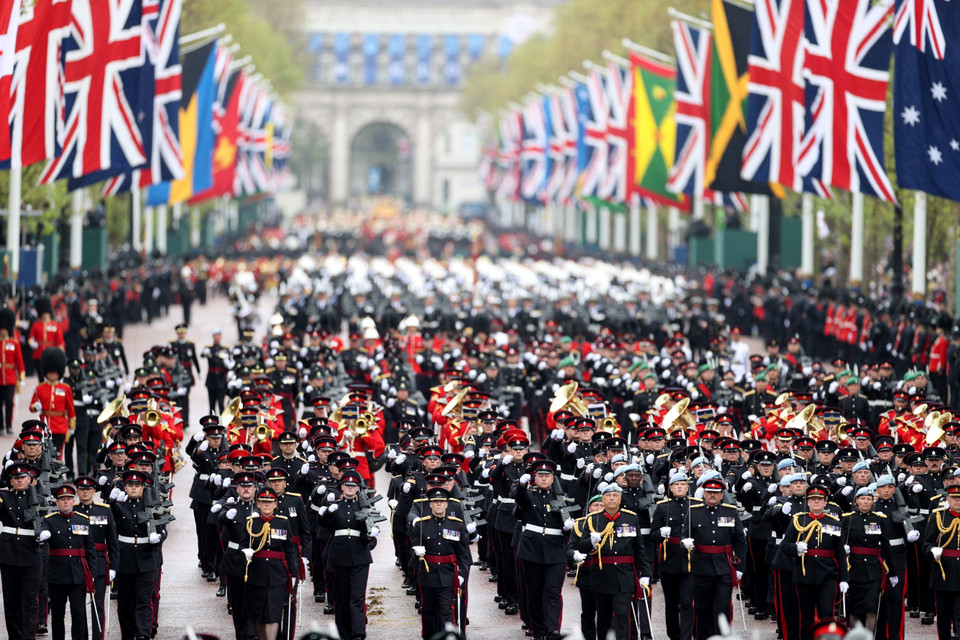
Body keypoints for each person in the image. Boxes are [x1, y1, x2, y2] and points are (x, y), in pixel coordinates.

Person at [573, 483, 651, 640]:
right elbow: (581, 547)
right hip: (602, 576)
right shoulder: (592, 519)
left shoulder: (631, 518)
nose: (612, 498)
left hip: (625, 575)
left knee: (623, 615)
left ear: (620, 499)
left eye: (615, 495)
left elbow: (639, 549)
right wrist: (591, 542)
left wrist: (645, 574)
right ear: (603, 498)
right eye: (608, 495)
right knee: (603, 618)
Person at [513, 458, 571, 640]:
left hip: (555, 549)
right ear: (534, 478)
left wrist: (569, 526)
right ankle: (538, 631)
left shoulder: (561, 497)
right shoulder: (529, 495)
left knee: (553, 592)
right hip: (532, 549)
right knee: (535, 593)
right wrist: (522, 485)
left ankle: (553, 629)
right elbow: (519, 498)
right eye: (540, 476)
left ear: (553, 478)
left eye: (547, 476)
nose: (544, 479)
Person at [684, 476, 747, 640]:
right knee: (702, 607)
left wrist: (739, 567)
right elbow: (685, 537)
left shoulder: (730, 511)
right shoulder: (694, 511)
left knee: (722, 607)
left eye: (716, 493)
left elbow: (740, 542)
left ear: (721, 495)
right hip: (700, 567)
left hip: (723, 568)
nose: (712, 495)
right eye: (709, 492)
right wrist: (686, 544)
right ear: (703, 493)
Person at [782, 484, 849, 640]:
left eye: (820, 500)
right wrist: (796, 548)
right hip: (805, 575)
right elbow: (785, 545)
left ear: (825, 502)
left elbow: (840, 554)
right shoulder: (799, 520)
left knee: (827, 615)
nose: (816, 502)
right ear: (808, 502)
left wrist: (844, 579)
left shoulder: (834, 523)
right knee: (806, 617)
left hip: (827, 576)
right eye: (813, 500)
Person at [318, 469, 378, 640]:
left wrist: (370, 536)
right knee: (341, 597)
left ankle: (358, 633)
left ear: (358, 488)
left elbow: (371, 539)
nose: (350, 488)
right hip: (339, 555)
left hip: (359, 556)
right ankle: (343, 632)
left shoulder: (365, 507)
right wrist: (328, 512)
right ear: (341, 487)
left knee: (357, 597)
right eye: (347, 485)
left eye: (353, 485)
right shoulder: (335, 505)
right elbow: (323, 526)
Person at [410, 487, 471, 640]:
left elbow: (463, 553)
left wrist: (462, 574)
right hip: (428, 574)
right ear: (430, 504)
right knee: (428, 612)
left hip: (448, 574)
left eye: (442, 502)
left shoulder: (456, 525)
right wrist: (416, 553)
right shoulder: (421, 525)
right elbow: (412, 553)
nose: (438, 505)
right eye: (435, 502)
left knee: (447, 611)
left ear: (446, 505)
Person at [112, 469, 166, 640]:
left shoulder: (154, 505)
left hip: (146, 557)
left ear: (143, 488)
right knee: (125, 602)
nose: (133, 488)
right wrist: (111, 500)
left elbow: (162, 529)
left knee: (144, 600)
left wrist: (159, 537)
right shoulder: (118, 505)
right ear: (125, 487)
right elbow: (108, 524)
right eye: (130, 485)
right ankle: (128, 634)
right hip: (125, 558)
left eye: (137, 485)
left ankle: (143, 634)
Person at [38, 484, 96, 640]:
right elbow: (41, 535)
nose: (65, 502)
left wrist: (93, 573)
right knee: (58, 614)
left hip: (78, 574)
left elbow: (90, 549)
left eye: (68, 499)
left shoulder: (83, 520)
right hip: (57, 575)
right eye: (62, 500)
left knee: (78, 613)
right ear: (57, 503)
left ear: (73, 501)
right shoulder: (49, 521)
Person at [241, 487, 299, 640]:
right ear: (258, 504)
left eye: (270, 502)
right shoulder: (251, 523)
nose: (267, 505)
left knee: (274, 612)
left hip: (277, 574)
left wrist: (294, 574)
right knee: (259, 613)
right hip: (256, 573)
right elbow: (241, 544)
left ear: (275, 504)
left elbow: (289, 550)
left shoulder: (283, 523)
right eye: (263, 502)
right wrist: (245, 552)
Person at [841, 486, 897, 634]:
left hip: (874, 571)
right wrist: (843, 549)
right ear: (857, 501)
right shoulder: (848, 519)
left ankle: (869, 637)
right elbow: (839, 542)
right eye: (862, 499)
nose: (865, 502)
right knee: (854, 610)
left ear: (873, 502)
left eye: (869, 499)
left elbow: (886, 547)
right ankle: (856, 636)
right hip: (853, 569)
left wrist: (893, 572)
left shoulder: (879, 520)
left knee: (871, 610)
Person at [0, 462, 43, 640]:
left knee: (29, 600)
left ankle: (28, 636)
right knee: (11, 600)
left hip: (31, 554)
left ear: (30, 479)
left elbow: (46, 520)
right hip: (8, 554)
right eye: (15, 478)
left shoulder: (38, 500)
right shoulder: (3, 497)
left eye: (23, 478)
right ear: (10, 481)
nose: (19, 481)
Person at [73, 475, 118, 640]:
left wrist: (113, 566)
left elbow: (113, 540)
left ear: (94, 491)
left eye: (88, 489)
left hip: (99, 561)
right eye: (82, 489)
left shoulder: (104, 510)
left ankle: (98, 637)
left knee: (97, 605)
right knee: (78, 606)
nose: (85, 492)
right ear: (77, 491)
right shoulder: (72, 510)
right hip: (77, 562)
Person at [652, 472, 696, 640]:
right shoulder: (663, 507)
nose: (679, 487)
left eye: (683, 484)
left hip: (689, 560)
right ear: (670, 488)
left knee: (686, 602)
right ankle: (674, 635)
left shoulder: (694, 505)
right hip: (669, 560)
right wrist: (661, 534)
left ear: (687, 487)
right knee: (671, 604)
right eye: (676, 484)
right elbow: (653, 535)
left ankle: (686, 636)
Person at [923, 483, 960, 640]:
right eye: (954, 498)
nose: (957, 501)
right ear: (947, 499)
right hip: (943, 571)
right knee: (943, 614)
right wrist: (933, 551)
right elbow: (925, 545)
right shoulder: (937, 516)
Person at [30, 347, 76, 455]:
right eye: (50, 372)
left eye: (54, 372)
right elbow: (31, 406)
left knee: (57, 452)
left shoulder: (66, 388)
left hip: (60, 426)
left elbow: (70, 409)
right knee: (44, 452)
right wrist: (35, 406)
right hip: (44, 425)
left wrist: (72, 425)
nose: (52, 374)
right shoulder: (39, 388)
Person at [0, 307, 24, 435]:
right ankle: (1, 426)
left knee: (9, 401)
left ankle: (8, 424)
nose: (3, 331)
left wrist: (22, 376)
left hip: (10, 378)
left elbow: (19, 361)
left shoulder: (14, 343)